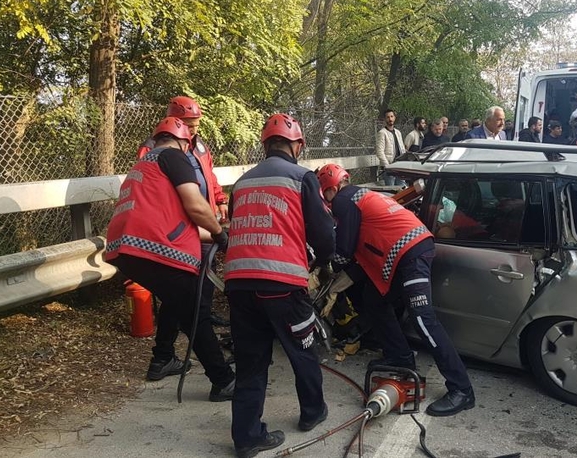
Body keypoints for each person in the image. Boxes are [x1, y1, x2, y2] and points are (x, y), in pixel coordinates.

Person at [316, 164, 475, 417]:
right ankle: (401, 358)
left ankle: (462, 389)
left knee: (423, 320)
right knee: (374, 302)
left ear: (331, 189)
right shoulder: (362, 195)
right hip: (407, 252)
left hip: (411, 255)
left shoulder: (344, 200)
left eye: (324, 195)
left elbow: (344, 252)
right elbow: (362, 246)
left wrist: (326, 261)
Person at [224, 113, 336, 457]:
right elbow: (322, 233)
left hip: (239, 284)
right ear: (297, 145)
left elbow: (235, 224)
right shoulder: (302, 177)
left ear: (265, 145)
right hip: (282, 285)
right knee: (302, 350)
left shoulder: (242, 182)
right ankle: (312, 413)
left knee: (250, 361)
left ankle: (246, 437)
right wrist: (323, 260)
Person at [105, 117, 236, 402]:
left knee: (177, 299)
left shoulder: (143, 165)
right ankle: (223, 380)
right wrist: (218, 231)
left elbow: (175, 221)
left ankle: (163, 358)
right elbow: (195, 206)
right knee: (194, 313)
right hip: (155, 247)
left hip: (127, 249)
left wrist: (214, 237)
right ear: (184, 142)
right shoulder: (174, 157)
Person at [138, 96, 230, 333]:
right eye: (188, 125)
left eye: (196, 124)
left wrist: (219, 199)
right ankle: (190, 326)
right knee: (180, 283)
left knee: (207, 274)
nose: (193, 130)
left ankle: (203, 316)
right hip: (176, 224)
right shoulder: (154, 146)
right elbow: (147, 181)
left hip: (203, 218)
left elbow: (209, 176)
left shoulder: (200, 147)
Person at [375, 109, 406, 186]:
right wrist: (387, 166)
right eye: (388, 117)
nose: (390, 119)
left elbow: (402, 148)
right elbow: (379, 151)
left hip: (400, 166)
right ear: (385, 119)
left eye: (392, 116)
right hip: (389, 167)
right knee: (391, 191)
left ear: (394, 118)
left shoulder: (398, 132)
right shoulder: (382, 133)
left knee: (402, 189)